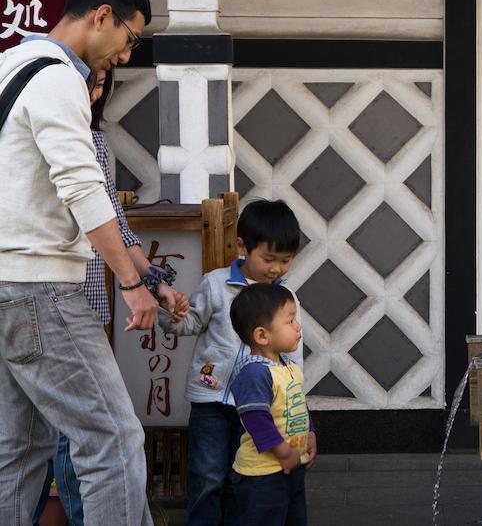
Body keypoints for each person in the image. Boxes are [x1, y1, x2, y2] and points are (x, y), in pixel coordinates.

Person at [0, 0, 158, 525]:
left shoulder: (10, 65)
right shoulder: (58, 77)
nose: (126, 56)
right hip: (41, 288)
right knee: (112, 439)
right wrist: (134, 283)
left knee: (19, 453)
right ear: (102, 17)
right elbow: (82, 184)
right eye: (130, 39)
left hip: (5, 284)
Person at [42, 66, 188, 525]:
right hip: (37, 295)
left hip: (87, 302)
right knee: (54, 433)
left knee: (79, 430)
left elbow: (117, 227)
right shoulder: (29, 132)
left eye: (102, 83)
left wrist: (154, 283)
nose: (94, 92)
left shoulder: (96, 143)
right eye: (90, 81)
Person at [158, 199, 303, 525]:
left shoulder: (285, 300)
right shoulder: (216, 284)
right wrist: (171, 315)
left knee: (246, 477)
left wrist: (296, 407)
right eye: (268, 258)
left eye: (285, 260)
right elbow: (190, 324)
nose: (276, 269)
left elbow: (292, 355)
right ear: (242, 246)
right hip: (211, 400)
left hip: (258, 407)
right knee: (207, 475)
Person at [228, 283, 315, 526]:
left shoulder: (287, 367)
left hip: (291, 467)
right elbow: (256, 419)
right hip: (262, 476)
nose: (298, 327)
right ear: (262, 335)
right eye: (289, 321)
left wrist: (310, 433)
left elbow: (298, 403)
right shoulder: (254, 373)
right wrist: (284, 452)